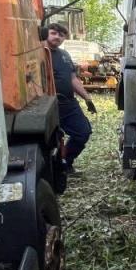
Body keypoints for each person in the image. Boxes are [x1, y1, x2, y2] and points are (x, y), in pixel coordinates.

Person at [44, 22, 96, 173]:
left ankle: (66, 162)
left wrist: (87, 98)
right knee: (50, 141)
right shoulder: (39, 53)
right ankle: (52, 168)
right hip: (47, 105)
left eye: (61, 35)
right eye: (53, 33)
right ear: (45, 33)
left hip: (68, 103)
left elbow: (73, 79)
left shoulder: (64, 55)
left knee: (83, 132)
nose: (57, 37)